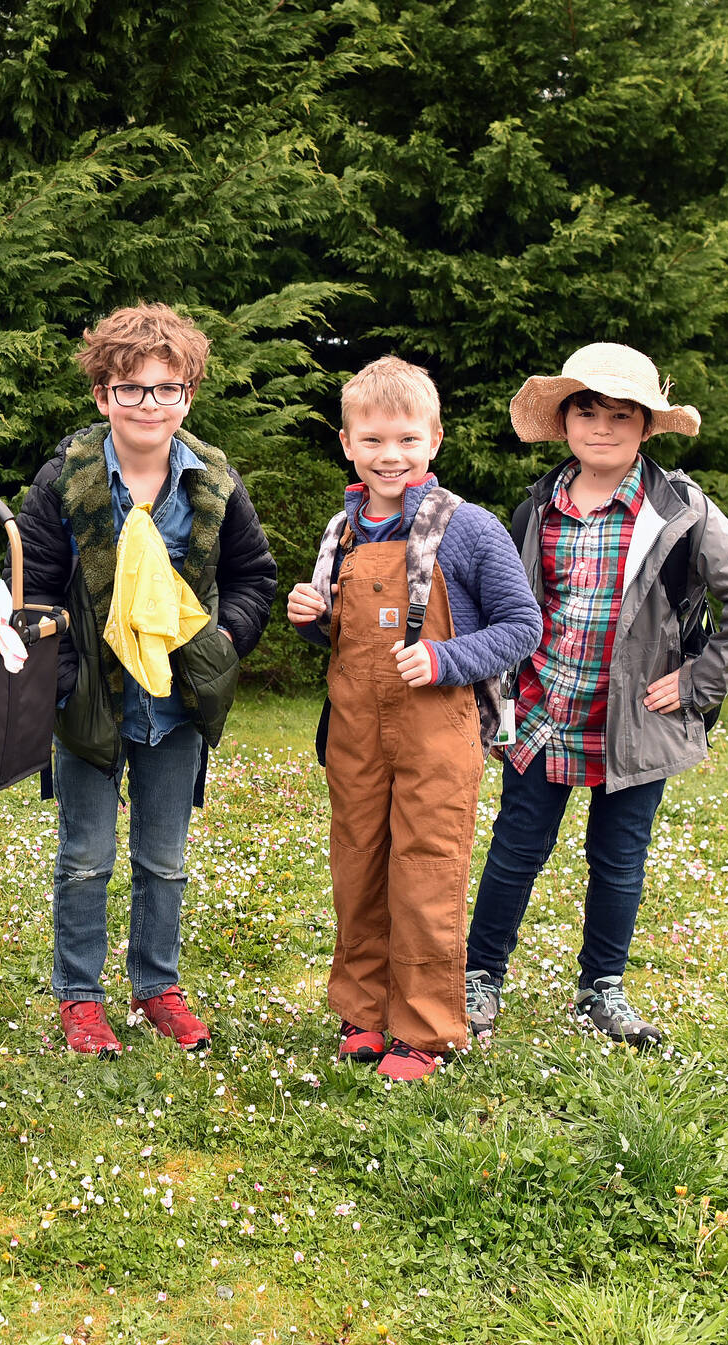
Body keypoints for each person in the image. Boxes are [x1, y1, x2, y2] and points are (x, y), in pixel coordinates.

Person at [464, 343, 728, 1046]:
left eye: (621, 413)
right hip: (545, 711)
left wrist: (701, 682)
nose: (602, 425)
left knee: (619, 858)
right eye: (587, 409)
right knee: (516, 847)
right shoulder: (535, 507)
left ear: (646, 427)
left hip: (636, 722)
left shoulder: (681, 510)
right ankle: (480, 976)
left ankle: (600, 989)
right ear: (565, 420)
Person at [14, 304, 276, 1060]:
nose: (149, 405)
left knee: (165, 858)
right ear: (102, 396)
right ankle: (81, 998)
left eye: (167, 389)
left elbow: (253, 575)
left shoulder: (215, 482)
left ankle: (157, 984)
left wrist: (222, 642)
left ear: (188, 394)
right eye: (131, 390)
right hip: (90, 706)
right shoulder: (64, 481)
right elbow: (31, 587)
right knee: (85, 856)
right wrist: (61, 682)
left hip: (176, 705)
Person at [286, 356, 540, 1081]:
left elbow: (522, 626)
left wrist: (447, 658)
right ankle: (364, 1013)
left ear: (434, 440)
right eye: (372, 440)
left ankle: (424, 1029)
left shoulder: (469, 529)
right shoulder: (343, 530)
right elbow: (341, 635)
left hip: (436, 732)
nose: (388, 455)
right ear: (346, 443)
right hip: (356, 732)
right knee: (358, 867)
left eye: (404, 439)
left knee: (425, 872)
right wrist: (314, 617)